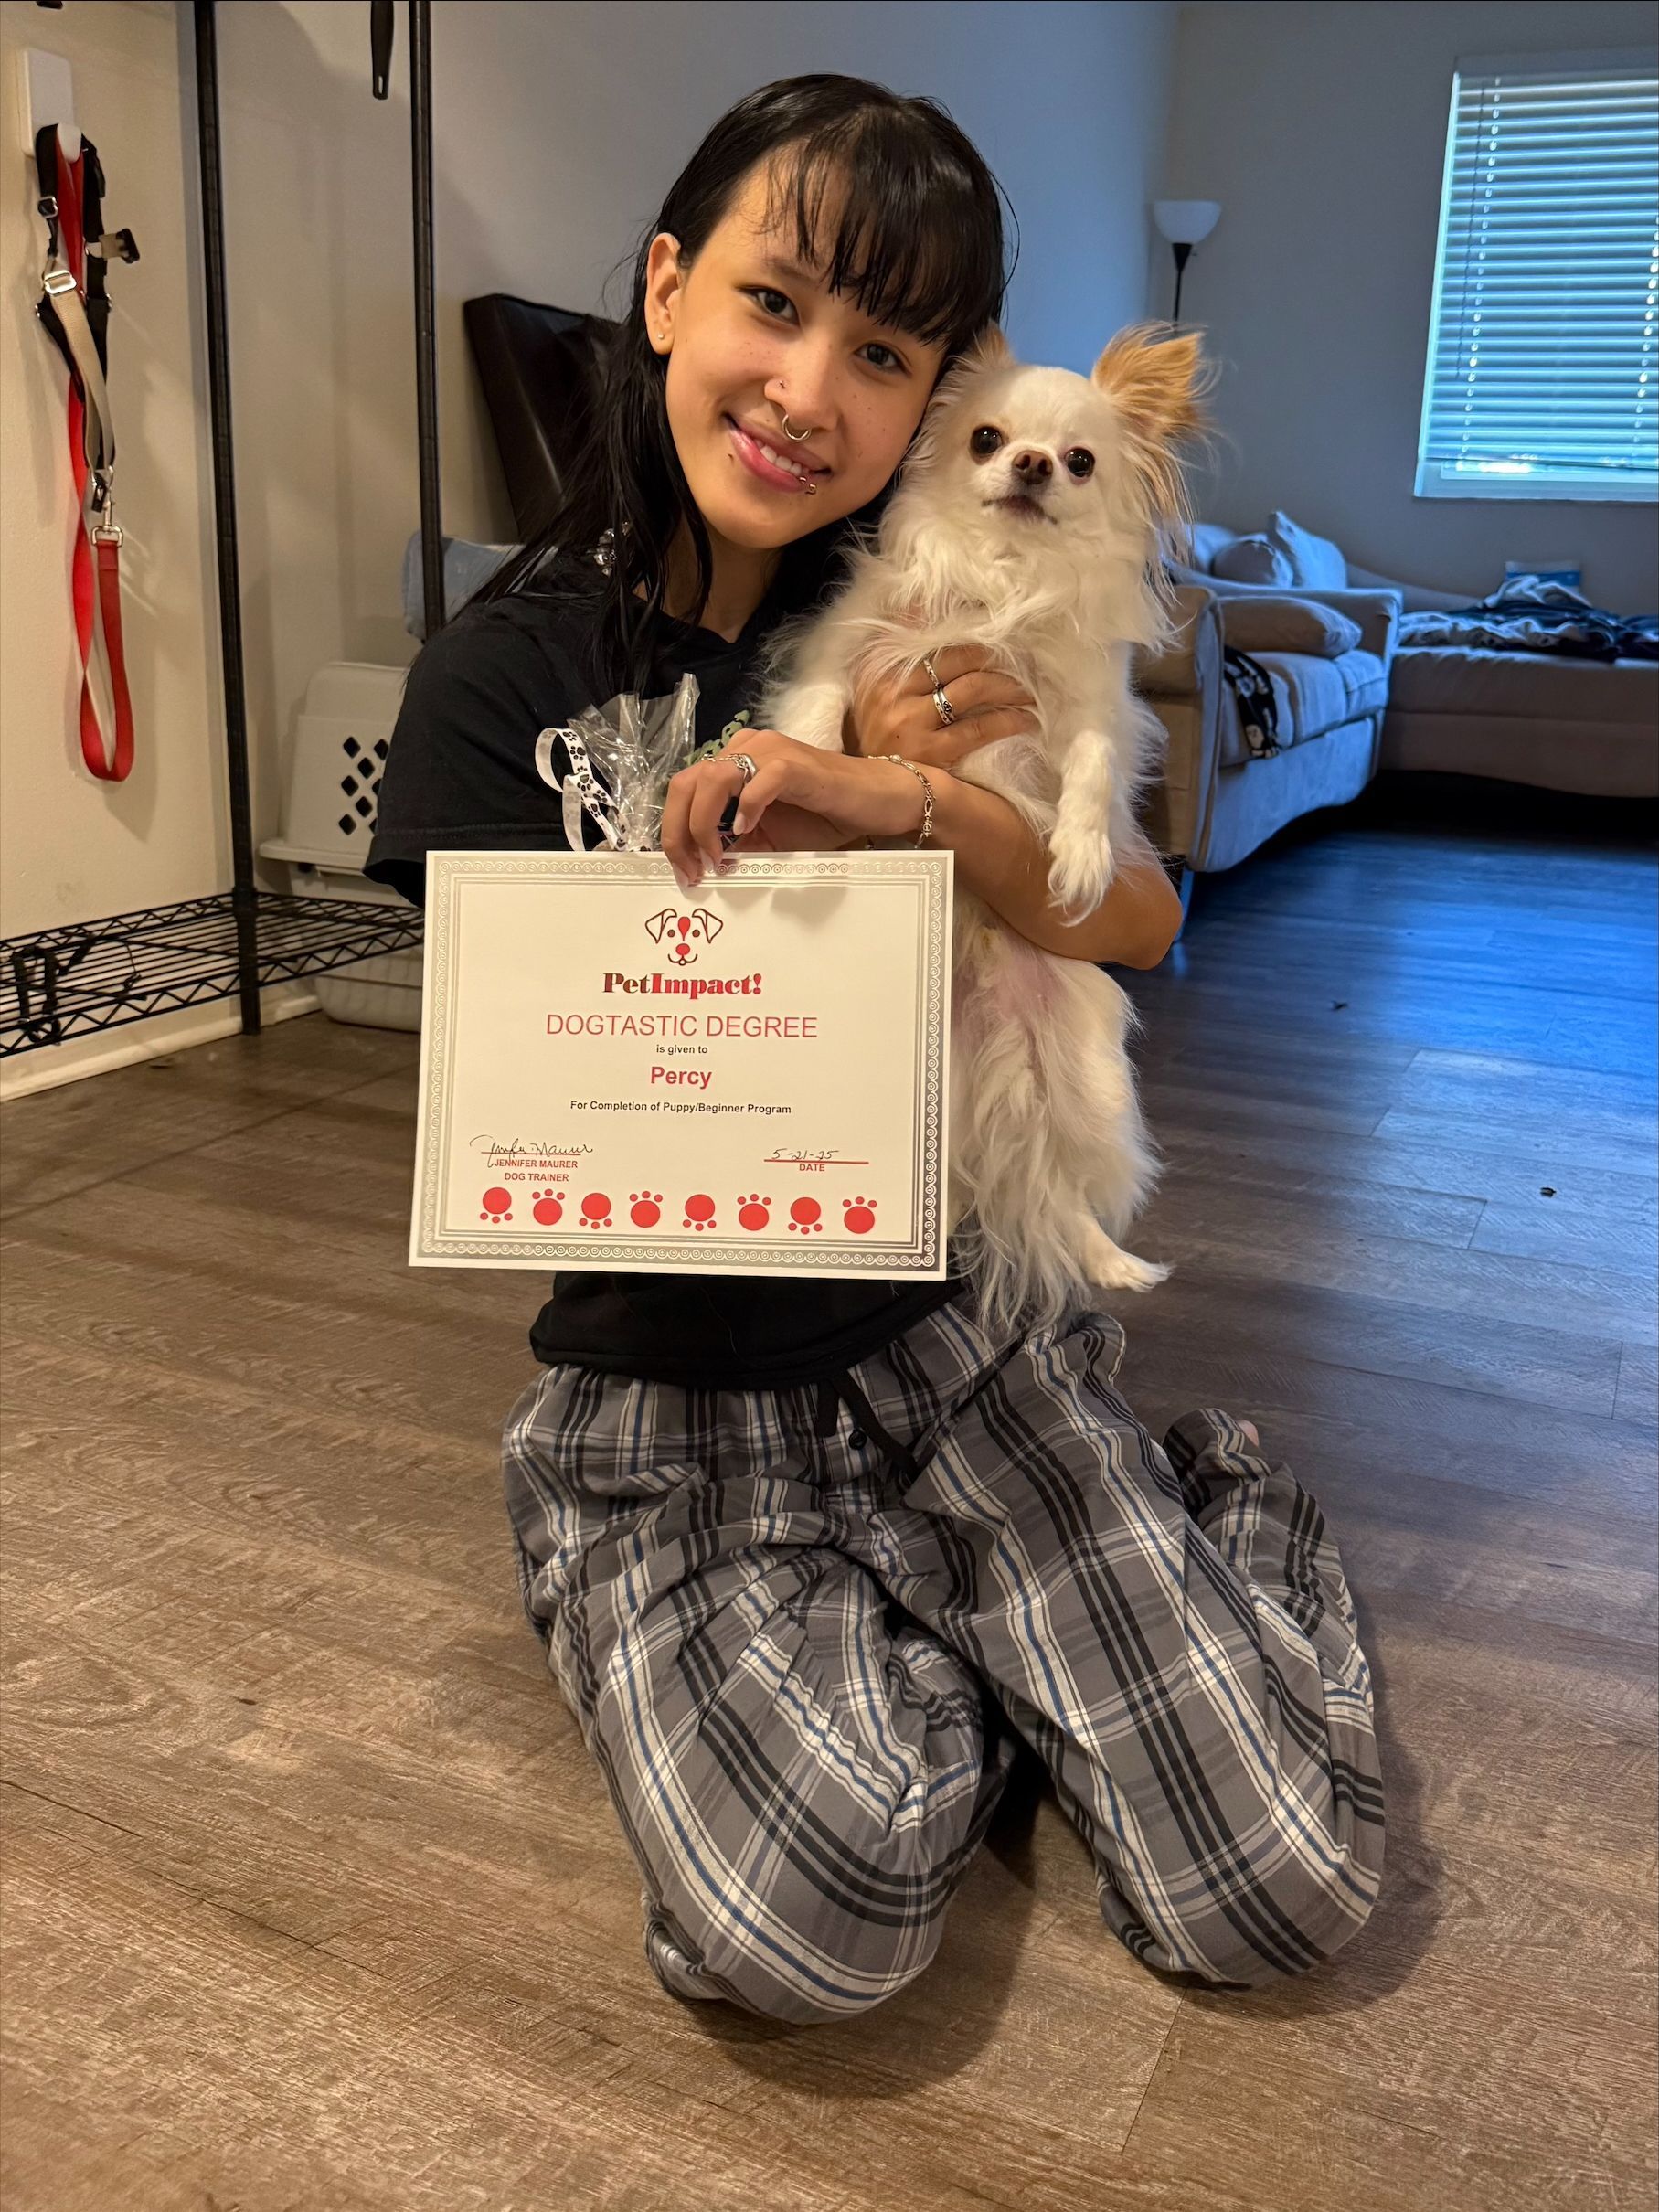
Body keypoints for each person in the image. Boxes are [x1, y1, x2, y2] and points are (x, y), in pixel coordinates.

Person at [367, 75, 1384, 2026]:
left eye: (883, 349)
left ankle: (1171, 1503)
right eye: (769, 302)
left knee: (1276, 1884)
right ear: (665, 289)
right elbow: (535, 1084)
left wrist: (930, 811)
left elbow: (1143, 922)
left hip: (952, 1320)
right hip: (674, 1378)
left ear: (933, 399)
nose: (806, 387)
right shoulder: (498, 684)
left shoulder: (936, 619)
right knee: (804, 1918)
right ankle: (930, 1625)